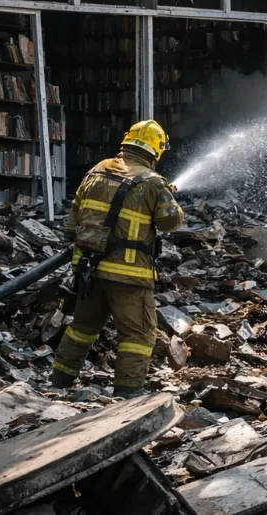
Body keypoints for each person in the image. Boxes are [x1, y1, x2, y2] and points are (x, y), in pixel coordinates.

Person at [51, 120, 184, 396]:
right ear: (156, 150)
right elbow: (171, 222)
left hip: (90, 269)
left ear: (127, 142)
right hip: (130, 276)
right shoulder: (153, 182)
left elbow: (73, 219)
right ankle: (127, 395)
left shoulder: (97, 170)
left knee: (81, 328)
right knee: (138, 335)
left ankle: (58, 383)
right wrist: (168, 197)